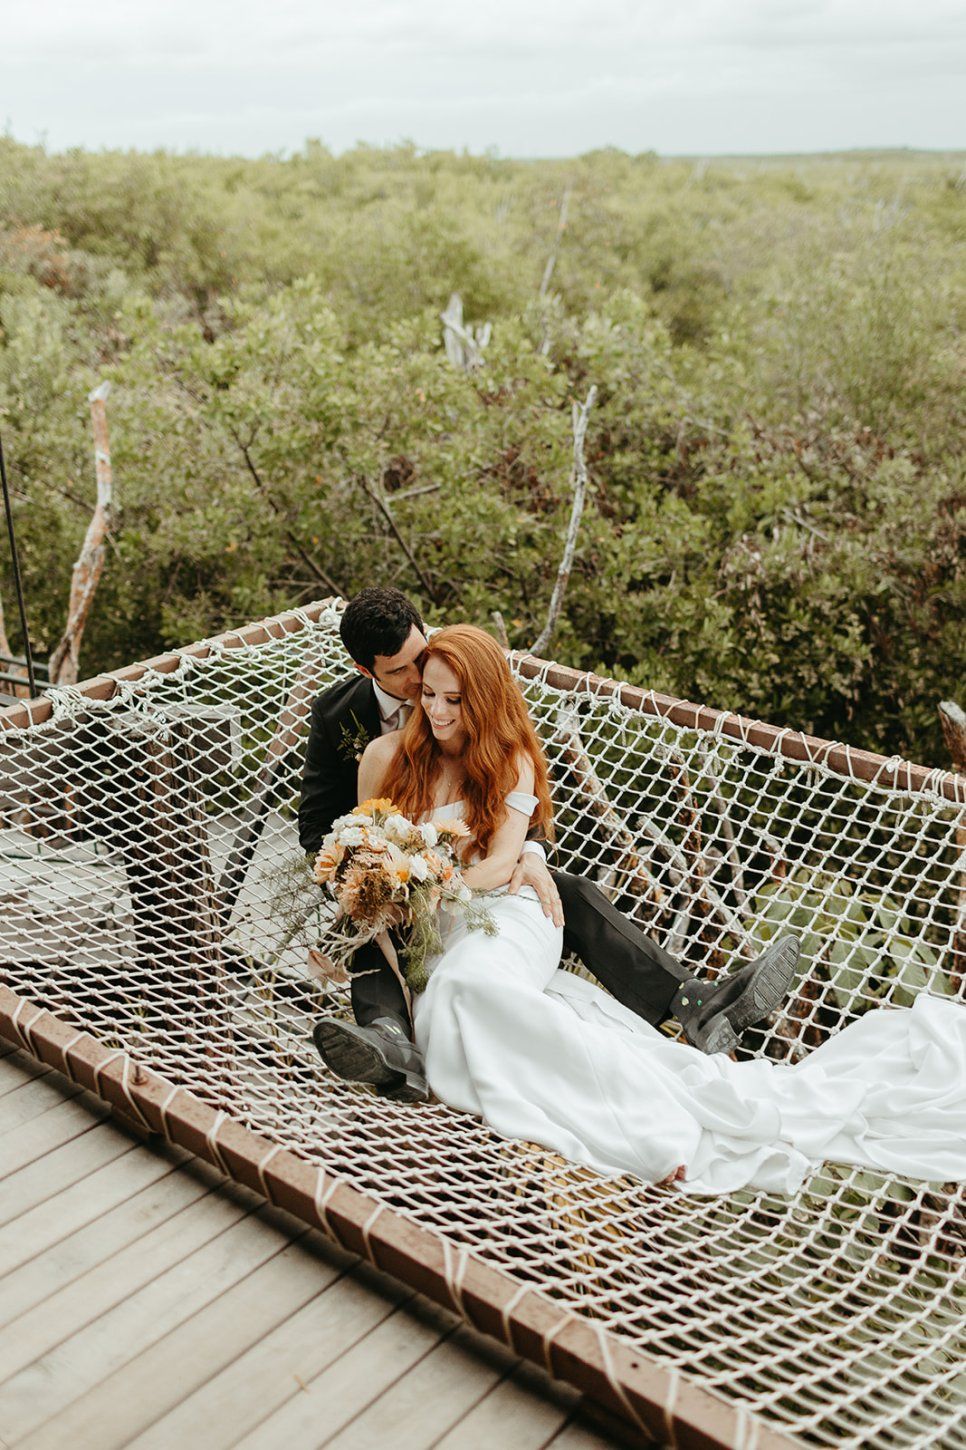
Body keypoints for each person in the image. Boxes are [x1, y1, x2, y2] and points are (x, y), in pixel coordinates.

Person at [340, 624, 966, 1195]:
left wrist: (430, 888)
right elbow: (367, 844)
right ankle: (420, 1052)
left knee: (470, 987)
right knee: (450, 1000)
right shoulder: (384, 758)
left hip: (507, 913)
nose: (440, 712)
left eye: (457, 699)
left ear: (485, 698)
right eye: (430, 696)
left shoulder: (512, 760)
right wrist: (377, 885)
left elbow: (504, 862)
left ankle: (647, 1121)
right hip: (432, 932)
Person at [301, 588, 798, 1103]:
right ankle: (389, 1042)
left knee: (568, 892)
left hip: (478, 871)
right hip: (394, 867)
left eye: (420, 655)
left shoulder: (460, 666)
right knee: (371, 926)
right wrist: (366, 880)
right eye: (404, 673)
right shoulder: (345, 721)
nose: (419, 678)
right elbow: (319, 823)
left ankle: (697, 1001)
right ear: (367, 673)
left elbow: (511, 778)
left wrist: (529, 856)